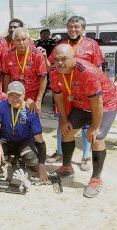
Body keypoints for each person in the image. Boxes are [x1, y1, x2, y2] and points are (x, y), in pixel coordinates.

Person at [49, 44, 117, 198]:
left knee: (96, 138)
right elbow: (58, 97)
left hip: (105, 104)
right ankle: (67, 168)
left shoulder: (87, 72)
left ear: (74, 58)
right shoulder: (54, 72)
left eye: (64, 59)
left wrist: (95, 126)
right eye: (56, 59)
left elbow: (97, 102)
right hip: (80, 103)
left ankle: (96, 179)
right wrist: (64, 120)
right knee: (66, 132)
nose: (60, 63)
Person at [42, 16, 104, 170]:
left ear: (83, 28)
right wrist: (44, 57)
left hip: (85, 92)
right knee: (63, 121)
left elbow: (97, 69)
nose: (73, 29)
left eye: (76, 27)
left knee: (87, 125)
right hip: (66, 91)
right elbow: (52, 67)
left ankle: (86, 156)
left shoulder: (92, 45)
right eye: (70, 27)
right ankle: (60, 152)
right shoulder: (61, 44)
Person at [0, 81, 48, 182]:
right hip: (6, 140)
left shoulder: (30, 110)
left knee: (33, 162)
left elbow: (40, 141)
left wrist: (42, 168)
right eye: (11, 95)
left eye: (18, 95)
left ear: (24, 94)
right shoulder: (1, 106)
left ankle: (18, 160)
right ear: (7, 95)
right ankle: (10, 160)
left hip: (24, 142)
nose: (14, 98)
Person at [2, 27, 47, 114]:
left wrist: (39, 100)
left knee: (31, 120)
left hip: (32, 95)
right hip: (15, 95)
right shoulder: (8, 55)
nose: (21, 43)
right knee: (14, 119)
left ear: (29, 40)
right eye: (18, 40)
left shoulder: (36, 54)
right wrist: (6, 95)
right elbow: (6, 76)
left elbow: (43, 77)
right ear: (13, 41)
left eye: (24, 39)